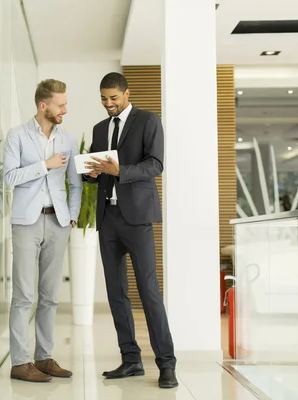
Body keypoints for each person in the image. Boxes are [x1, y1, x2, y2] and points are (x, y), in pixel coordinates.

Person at [84, 72, 178, 389]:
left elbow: (156, 164)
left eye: (113, 97)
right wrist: (90, 172)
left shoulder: (148, 121)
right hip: (107, 218)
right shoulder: (99, 128)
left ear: (126, 93)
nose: (108, 104)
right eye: (103, 98)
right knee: (116, 293)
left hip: (137, 218)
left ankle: (166, 363)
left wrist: (120, 170)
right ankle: (131, 360)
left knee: (148, 290)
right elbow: (97, 170)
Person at [3, 79, 82, 382]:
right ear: (43, 105)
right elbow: (10, 177)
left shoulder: (68, 139)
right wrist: (44, 165)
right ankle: (20, 362)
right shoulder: (17, 136)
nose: (65, 109)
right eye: (60, 104)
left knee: (49, 296)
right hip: (26, 223)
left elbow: (74, 184)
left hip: (58, 222)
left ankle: (44, 357)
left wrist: (72, 217)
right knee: (24, 295)